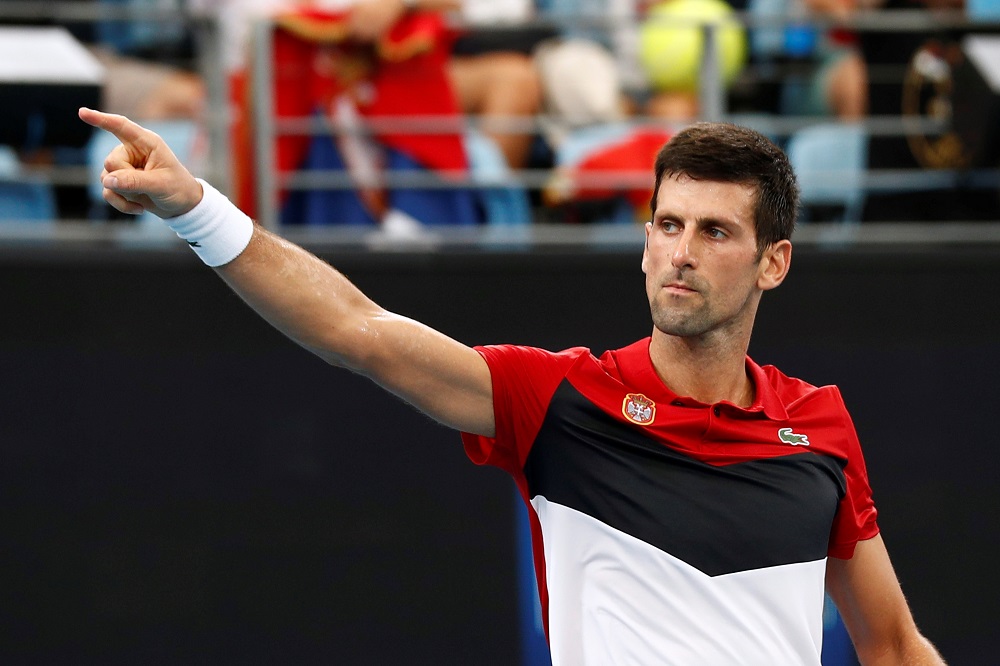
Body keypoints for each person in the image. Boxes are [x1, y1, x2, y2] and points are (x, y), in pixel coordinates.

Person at [78, 105, 946, 665]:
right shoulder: (559, 401)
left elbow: (895, 648)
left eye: (715, 231)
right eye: (668, 224)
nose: (680, 251)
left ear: (773, 263)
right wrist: (197, 207)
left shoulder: (818, 427)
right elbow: (358, 331)